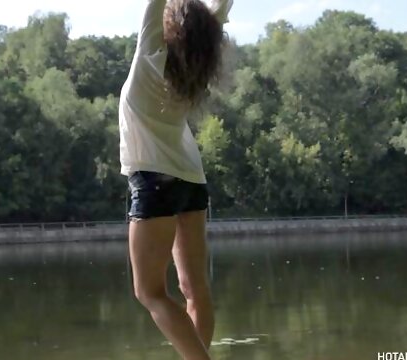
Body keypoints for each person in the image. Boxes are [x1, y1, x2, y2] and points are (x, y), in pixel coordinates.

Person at [119, 0, 233, 359]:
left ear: (173, 28)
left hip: (155, 182)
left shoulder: (149, 58)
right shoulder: (191, 69)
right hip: (191, 182)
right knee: (195, 290)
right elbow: (219, 14)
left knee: (149, 292)